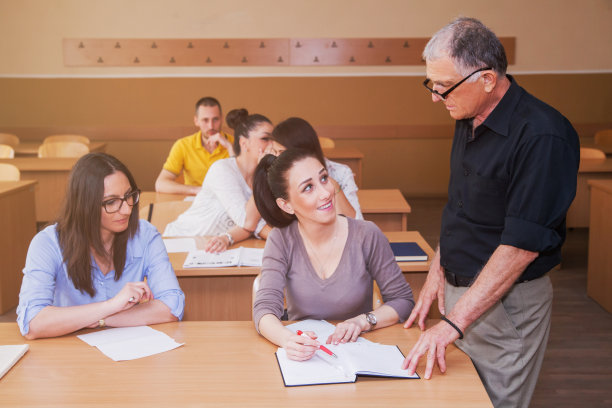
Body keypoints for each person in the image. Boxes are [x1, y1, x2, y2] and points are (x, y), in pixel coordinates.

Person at [401, 17, 579, 408]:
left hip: (506, 304)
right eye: (431, 83)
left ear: (486, 78)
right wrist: (438, 269)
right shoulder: (466, 112)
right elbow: (464, 206)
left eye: (443, 86)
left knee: (493, 403)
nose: (435, 96)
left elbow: (520, 247)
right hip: (459, 295)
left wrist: (452, 323)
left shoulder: (543, 135)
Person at [252, 148, 414, 361]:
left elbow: (402, 300)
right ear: (286, 205)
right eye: (308, 187)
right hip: (308, 358)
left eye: (324, 178)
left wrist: (364, 321)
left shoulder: (367, 234)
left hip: (357, 353)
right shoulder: (280, 240)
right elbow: (264, 309)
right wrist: (287, 339)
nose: (326, 192)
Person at [17, 153, 185, 339]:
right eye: (111, 202)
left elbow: (172, 306)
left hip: (128, 348)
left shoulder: (145, 235)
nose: (127, 209)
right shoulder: (47, 243)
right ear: (84, 205)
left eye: (129, 196)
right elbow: (32, 323)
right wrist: (111, 305)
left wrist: (103, 319)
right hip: (68, 356)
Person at [163, 109, 272, 252]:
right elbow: (247, 221)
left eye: (274, 139)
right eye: (265, 139)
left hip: (216, 247)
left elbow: (254, 223)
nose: (272, 144)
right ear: (244, 143)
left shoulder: (266, 175)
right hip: (183, 241)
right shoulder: (222, 170)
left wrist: (228, 237)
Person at [268, 117, 363, 219]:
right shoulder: (275, 174)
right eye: (274, 152)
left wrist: (332, 184)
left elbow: (354, 222)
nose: (277, 158)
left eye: (282, 153)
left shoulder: (341, 172)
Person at [155, 96, 234, 195]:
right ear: (196, 121)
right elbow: (160, 184)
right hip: (194, 199)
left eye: (215, 119)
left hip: (227, 200)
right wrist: (197, 190)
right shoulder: (183, 145)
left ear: (222, 119)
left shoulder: (235, 143)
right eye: (205, 120)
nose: (211, 126)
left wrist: (230, 147)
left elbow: (245, 183)